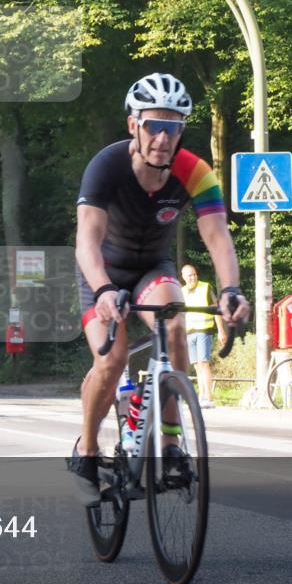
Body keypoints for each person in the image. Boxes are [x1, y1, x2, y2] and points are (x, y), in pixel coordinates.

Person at [70, 71, 250, 503]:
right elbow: (87, 239)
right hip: (102, 272)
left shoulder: (194, 171)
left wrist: (231, 289)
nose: (162, 138)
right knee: (110, 362)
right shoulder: (107, 165)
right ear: (134, 124)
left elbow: (217, 235)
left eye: (173, 127)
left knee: (172, 323)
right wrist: (102, 290)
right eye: (154, 125)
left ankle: (170, 443)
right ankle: (87, 451)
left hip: (154, 267)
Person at [180, 264, 228, 409]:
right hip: (189, 332)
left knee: (204, 362)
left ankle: (209, 397)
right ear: (184, 277)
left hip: (204, 331)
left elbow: (216, 310)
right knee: (197, 365)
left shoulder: (205, 287)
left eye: (194, 274)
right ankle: (202, 396)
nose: (193, 277)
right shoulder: (181, 292)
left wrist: (221, 330)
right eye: (189, 275)